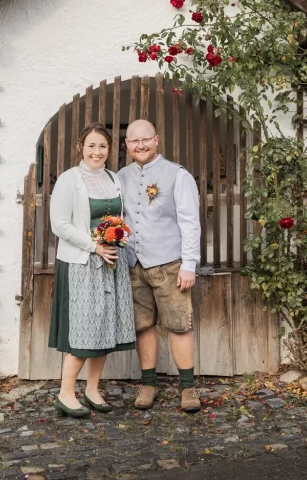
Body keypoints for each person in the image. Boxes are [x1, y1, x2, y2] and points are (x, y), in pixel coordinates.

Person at [47, 122, 136, 418]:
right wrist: (94, 245)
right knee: (84, 331)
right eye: (91, 146)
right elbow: (59, 224)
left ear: (110, 150)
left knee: (105, 329)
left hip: (111, 263)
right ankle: (65, 392)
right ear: (81, 148)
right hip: (82, 264)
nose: (97, 152)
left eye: (103, 146)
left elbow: (118, 217)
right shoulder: (69, 179)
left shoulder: (113, 178)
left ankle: (93, 389)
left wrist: (119, 236)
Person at [117, 119, 202, 413]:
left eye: (146, 139)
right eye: (133, 141)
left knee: (179, 325)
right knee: (143, 327)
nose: (140, 145)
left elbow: (190, 222)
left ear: (156, 140)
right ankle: (148, 384)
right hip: (133, 263)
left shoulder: (178, 175)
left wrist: (189, 265)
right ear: (127, 145)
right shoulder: (120, 177)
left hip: (169, 264)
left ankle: (188, 388)